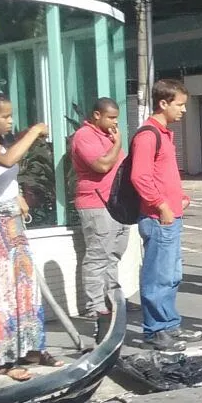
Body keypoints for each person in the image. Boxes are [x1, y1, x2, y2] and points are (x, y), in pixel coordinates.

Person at [0, 91, 63, 380]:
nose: (9, 121)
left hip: (13, 222)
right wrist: (33, 131)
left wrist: (18, 194)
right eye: (4, 116)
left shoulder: (1, 143)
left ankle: (31, 348)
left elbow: (7, 174)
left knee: (25, 287)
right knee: (0, 292)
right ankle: (2, 360)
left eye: (10, 115)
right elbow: (7, 162)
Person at [132, 79, 201, 352]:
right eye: (180, 105)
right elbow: (140, 176)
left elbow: (161, 175)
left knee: (172, 274)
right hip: (159, 218)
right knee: (157, 276)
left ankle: (169, 324)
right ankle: (156, 330)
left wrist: (177, 198)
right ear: (163, 103)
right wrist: (161, 204)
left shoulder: (163, 133)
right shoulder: (149, 134)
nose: (183, 111)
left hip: (170, 215)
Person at [70, 97, 128, 324]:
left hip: (116, 204)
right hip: (96, 203)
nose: (115, 123)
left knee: (113, 255)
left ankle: (111, 299)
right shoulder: (85, 136)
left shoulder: (108, 136)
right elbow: (102, 165)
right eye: (111, 118)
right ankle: (94, 306)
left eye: (117, 118)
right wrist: (117, 144)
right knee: (98, 256)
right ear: (97, 115)